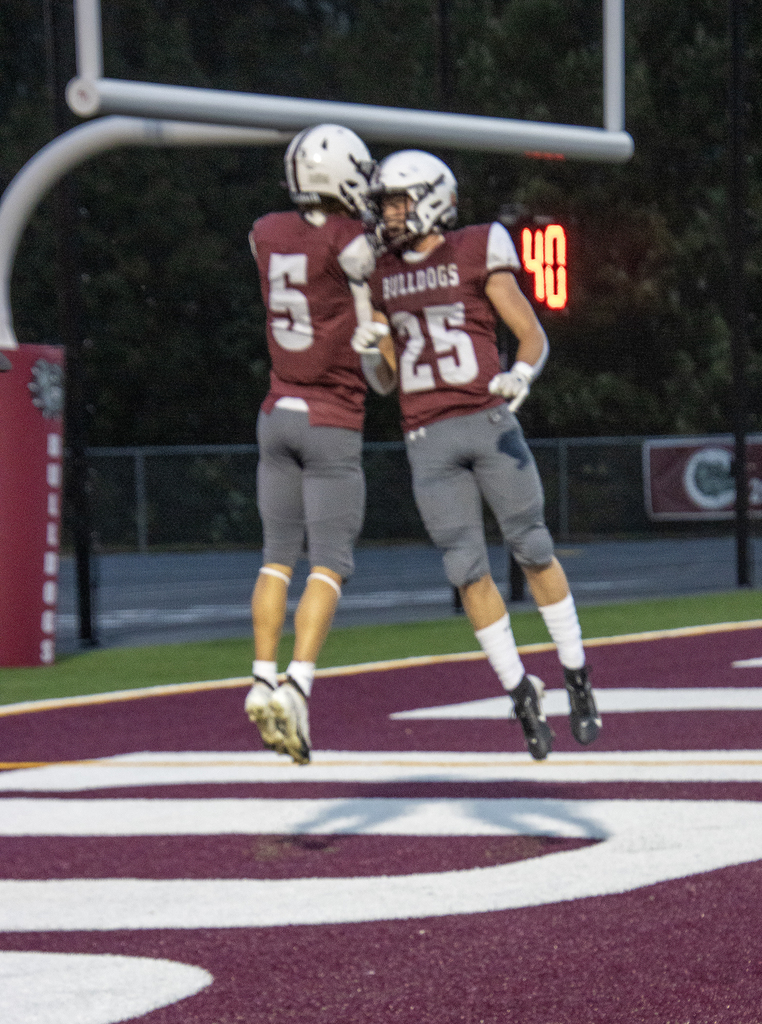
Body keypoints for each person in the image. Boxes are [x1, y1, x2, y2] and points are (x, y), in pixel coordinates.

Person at [352, 149, 601, 761]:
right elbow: (385, 381)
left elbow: (532, 334)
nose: (387, 213)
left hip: (488, 421)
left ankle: (575, 672)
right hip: (425, 435)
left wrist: (521, 373)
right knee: (465, 569)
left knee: (533, 546)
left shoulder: (475, 247)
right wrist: (367, 347)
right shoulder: (378, 274)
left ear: (432, 197)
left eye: (396, 200)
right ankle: (518, 688)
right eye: (384, 202)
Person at [244, 123, 377, 764]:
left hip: (276, 413)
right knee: (329, 562)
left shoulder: (266, 232)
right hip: (330, 417)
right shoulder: (353, 240)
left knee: (276, 558)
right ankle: (298, 682)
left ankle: (260, 675)